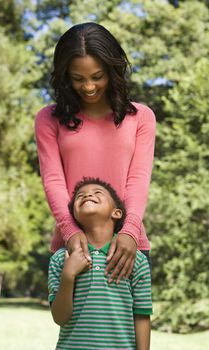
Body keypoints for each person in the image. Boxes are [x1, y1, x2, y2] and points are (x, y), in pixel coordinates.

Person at [35, 22, 156, 282]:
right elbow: (53, 180)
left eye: (97, 76)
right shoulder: (48, 119)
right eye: (78, 78)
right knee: (76, 324)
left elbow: (138, 179)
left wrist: (130, 231)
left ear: (112, 71)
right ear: (65, 76)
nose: (88, 86)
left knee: (132, 324)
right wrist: (69, 230)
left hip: (126, 246)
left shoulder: (141, 118)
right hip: (74, 247)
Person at [48, 177, 153, 350]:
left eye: (97, 193)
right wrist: (68, 276)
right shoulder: (61, 258)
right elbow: (59, 318)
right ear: (74, 215)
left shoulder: (135, 260)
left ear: (116, 213)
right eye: (80, 196)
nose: (88, 194)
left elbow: (141, 316)